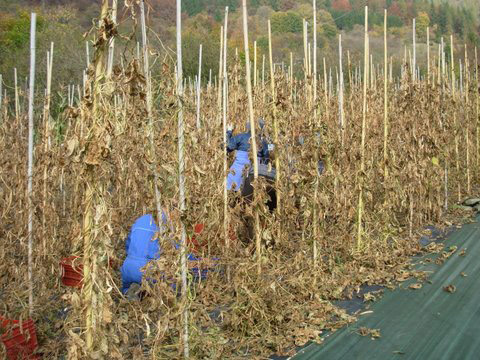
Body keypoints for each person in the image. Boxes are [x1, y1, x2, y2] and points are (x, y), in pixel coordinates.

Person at [120, 212, 214, 299]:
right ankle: (165, 297)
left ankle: (132, 291)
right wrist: (199, 261)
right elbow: (178, 253)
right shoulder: (167, 225)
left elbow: (128, 245)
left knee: (132, 285)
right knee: (179, 275)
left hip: (128, 268)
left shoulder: (141, 220)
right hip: (149, 270)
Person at [226, 118, 271, 191]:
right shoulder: (262, 141)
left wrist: (229, 131)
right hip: (254, 170)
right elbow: (266, 157)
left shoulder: (241, 137)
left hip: (237, 171)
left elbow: (227, 146)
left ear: (248, 127)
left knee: (231, 188)